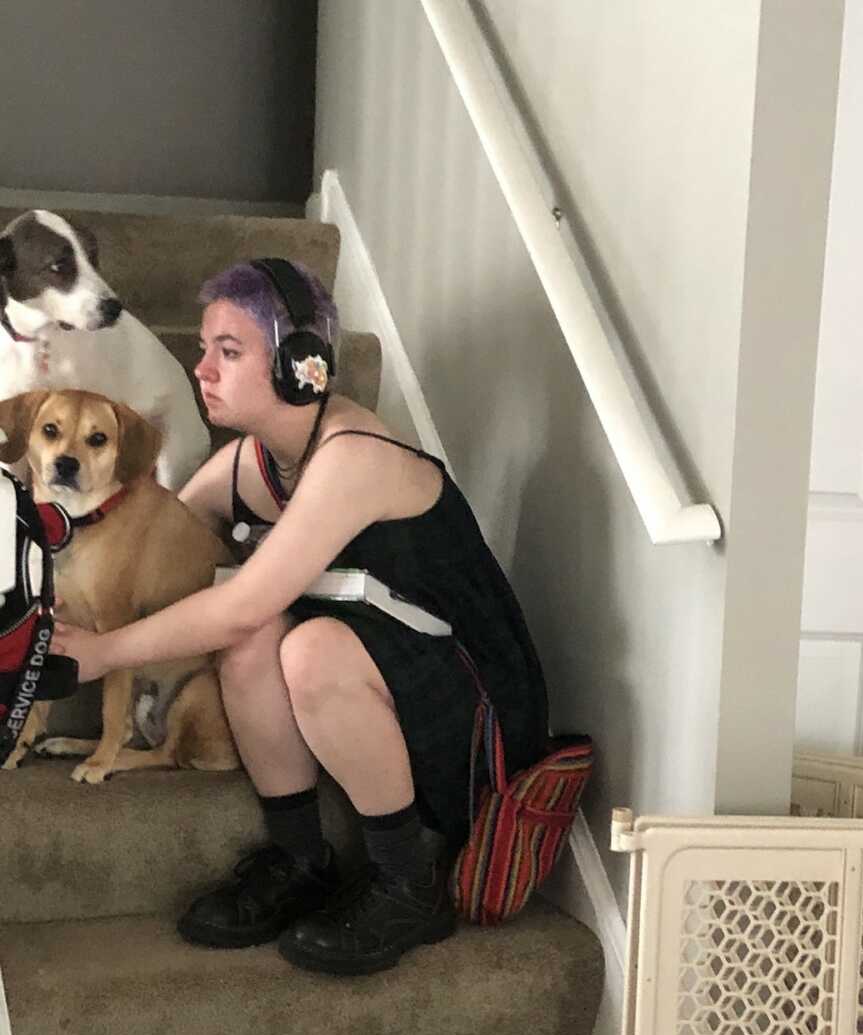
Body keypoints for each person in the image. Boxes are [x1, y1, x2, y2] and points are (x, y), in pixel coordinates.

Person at [52, 258, 548, 976]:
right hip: (385, 690)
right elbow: (161, 547)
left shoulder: (355, 459)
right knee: (257, 643)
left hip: (478, 728)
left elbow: (235, 606)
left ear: (302, 365)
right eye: (203, 350)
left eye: (229, 352)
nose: (201, 370)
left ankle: (409, 880)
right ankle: (299, 857)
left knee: (300, 641)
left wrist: (106, 654)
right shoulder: (254, 464)